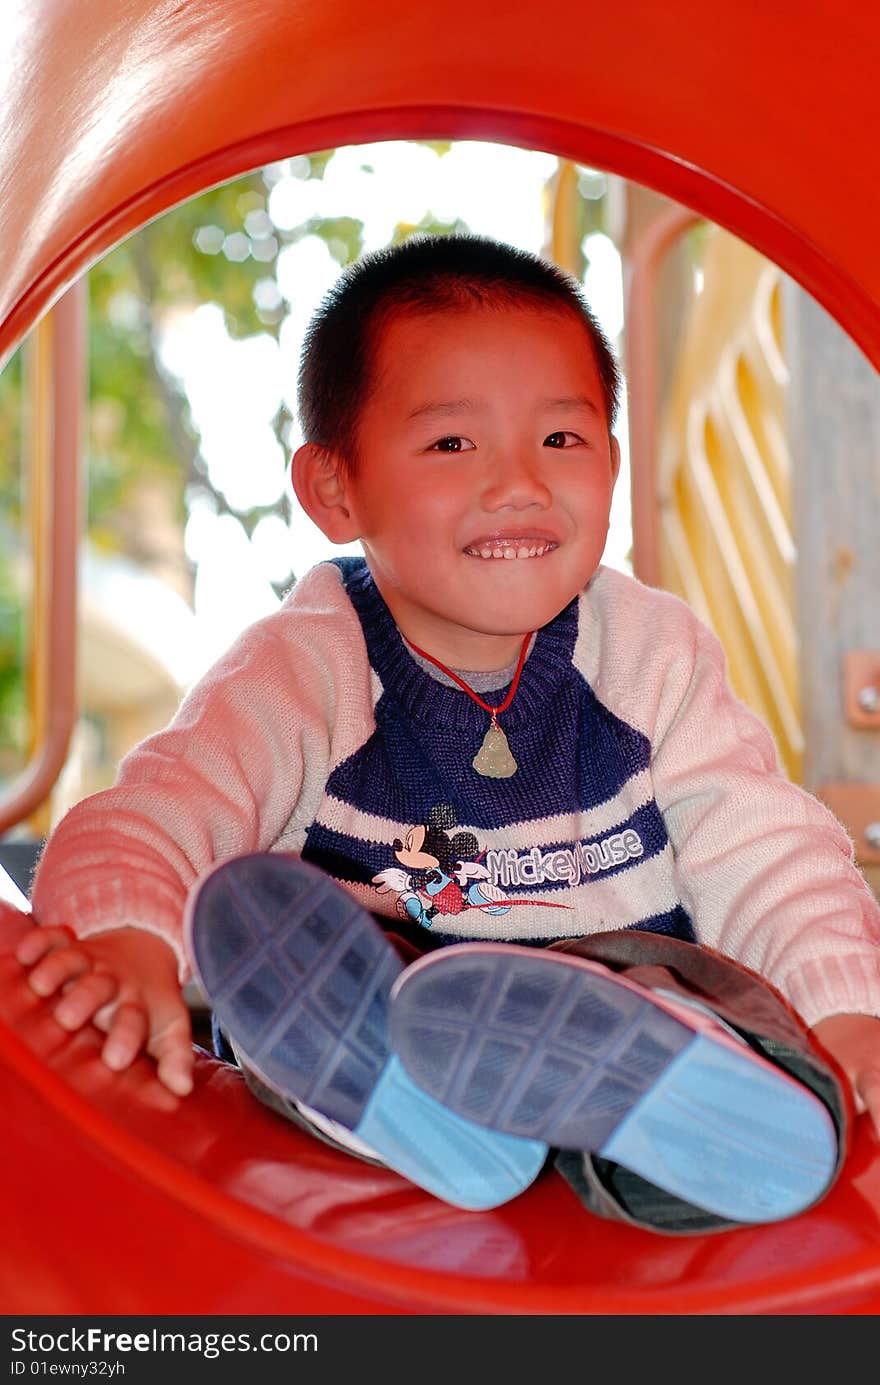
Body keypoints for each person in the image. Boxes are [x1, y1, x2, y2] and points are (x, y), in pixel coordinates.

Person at [17, 234, 880, 1233]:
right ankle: (391, 1094)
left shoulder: (652, 649)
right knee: (316, 976)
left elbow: (765, 848)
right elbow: (161, 810)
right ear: (334, 487)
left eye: (562, 438)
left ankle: (697, 1123)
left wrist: (842, 1007)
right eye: (450, 443)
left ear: (610, 453)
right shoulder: (304, 664)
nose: (518, 481)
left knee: (691, 1002)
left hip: (619, 990)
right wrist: (122, 936)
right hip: (400, 988)